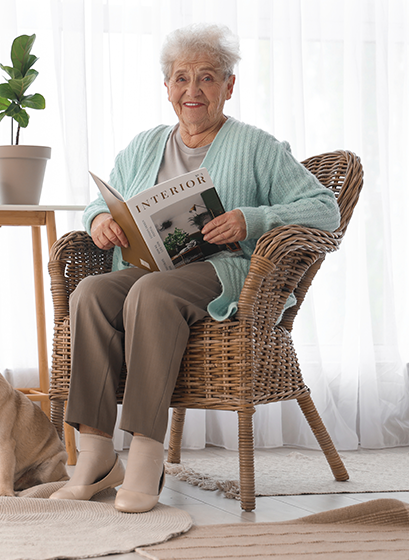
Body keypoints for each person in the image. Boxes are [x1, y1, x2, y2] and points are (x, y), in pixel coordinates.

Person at [48, 23, 341, 513]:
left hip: (223, 272)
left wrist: (254, 218)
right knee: (91, 295)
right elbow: (100, 201)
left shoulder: (256, 146)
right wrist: (99, 220)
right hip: (149, 266)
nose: (193, 90)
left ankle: (144, 456)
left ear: (229, 86)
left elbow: (323, 209)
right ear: (167, 88)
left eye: (206, 78)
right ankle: (96, 455)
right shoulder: (144, 145)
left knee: (152, 295)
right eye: (181, 78)